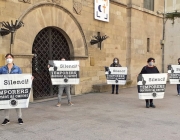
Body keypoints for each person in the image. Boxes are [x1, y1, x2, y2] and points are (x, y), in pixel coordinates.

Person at [0, 53, 23, 125]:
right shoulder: (2, 68)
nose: (8, 59)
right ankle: (6, 118)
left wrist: (29, 78)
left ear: (13, 58)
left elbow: (22, 78)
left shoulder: (18, 68)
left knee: (17, 102)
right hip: (6, 88)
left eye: (10, 57)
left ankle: (20, 118)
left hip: (15, 88)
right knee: (6, 103)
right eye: (7, 58)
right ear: (6, 59)